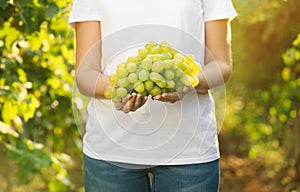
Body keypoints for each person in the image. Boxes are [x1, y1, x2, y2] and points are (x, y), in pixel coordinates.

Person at [68, 0, 237, 191]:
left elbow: (222, 65)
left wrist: (188, 82)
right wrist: (119, 90)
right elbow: (85, 73)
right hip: (111, 154)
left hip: (190, 151)